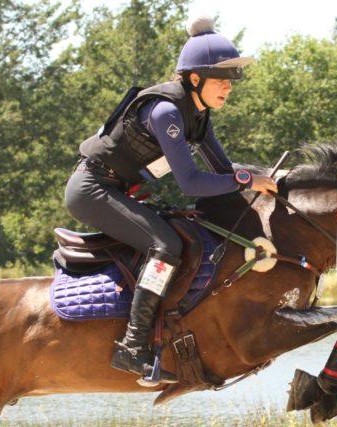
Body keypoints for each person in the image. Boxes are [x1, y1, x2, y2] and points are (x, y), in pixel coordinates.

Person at [64, 15, 277, 384]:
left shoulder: (199, 115)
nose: (228, 88)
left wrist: (267, 179)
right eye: (221, 81)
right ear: (195, 79)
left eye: (231, 82)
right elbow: (193, 183)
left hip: (116, 188)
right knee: (166, 244)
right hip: (92, 189)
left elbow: (223, 169)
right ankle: (133, 347)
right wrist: (246, 179)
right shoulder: (165, 112)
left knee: (184, 232)